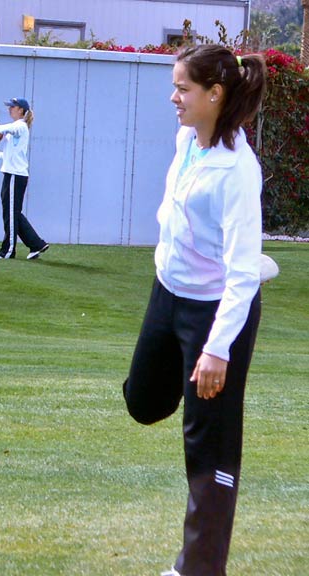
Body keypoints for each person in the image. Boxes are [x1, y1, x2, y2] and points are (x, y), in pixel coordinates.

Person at [122, 45, 267, 576]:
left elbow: (241, 275)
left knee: (208, 441)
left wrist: (215, 350)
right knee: (140, 400)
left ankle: (200, 568)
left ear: (215, 94)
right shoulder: (188, 140)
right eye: (175, 86)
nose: (174, 98)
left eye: (183, 88)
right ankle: (197, 398)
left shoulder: (237, 172)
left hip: (216, 312)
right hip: (168, 294)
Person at [0, 97, 49, 260]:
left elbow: (6, 128)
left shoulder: (20, 126)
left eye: (13, 107)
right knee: (13, 213)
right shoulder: (17, 128)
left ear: (21, 110)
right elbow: (14, 154)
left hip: (15, 176)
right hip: (12, 173)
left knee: (11, 213)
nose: (10, 109)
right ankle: (36, 244)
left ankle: (7, 251)